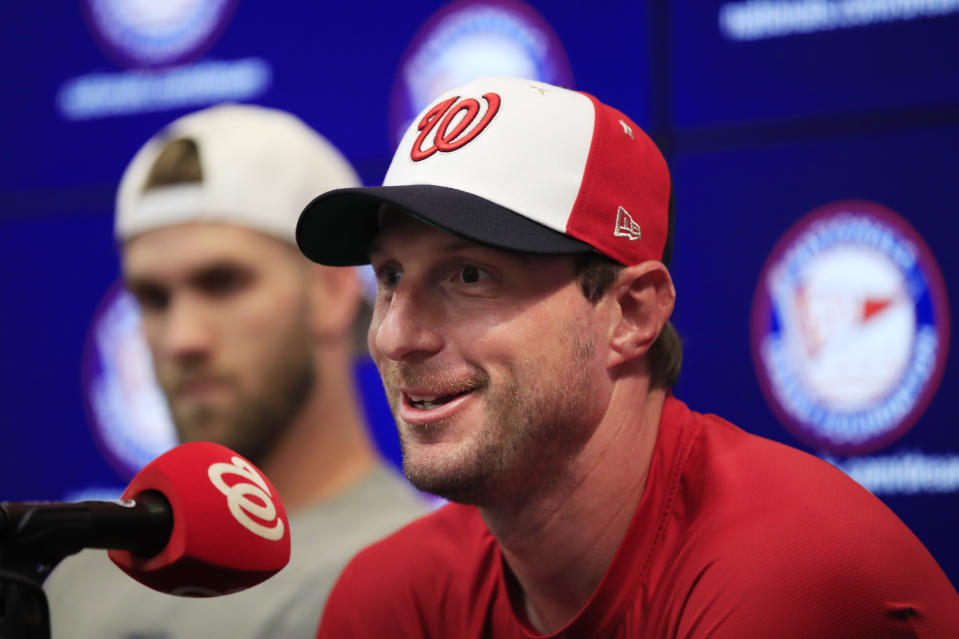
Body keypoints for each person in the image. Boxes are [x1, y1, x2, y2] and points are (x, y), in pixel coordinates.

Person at [294, 77, 959, 638]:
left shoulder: (782, 571)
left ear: (631, 312)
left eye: (469, 276)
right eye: (388, 277)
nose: (394, 336)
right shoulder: (390, 597)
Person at [43, 104, 426, 639]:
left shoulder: (427, 584)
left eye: (223, 283)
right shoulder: (74, 578)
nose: (182, 339)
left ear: (334, 291)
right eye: (152, 298)